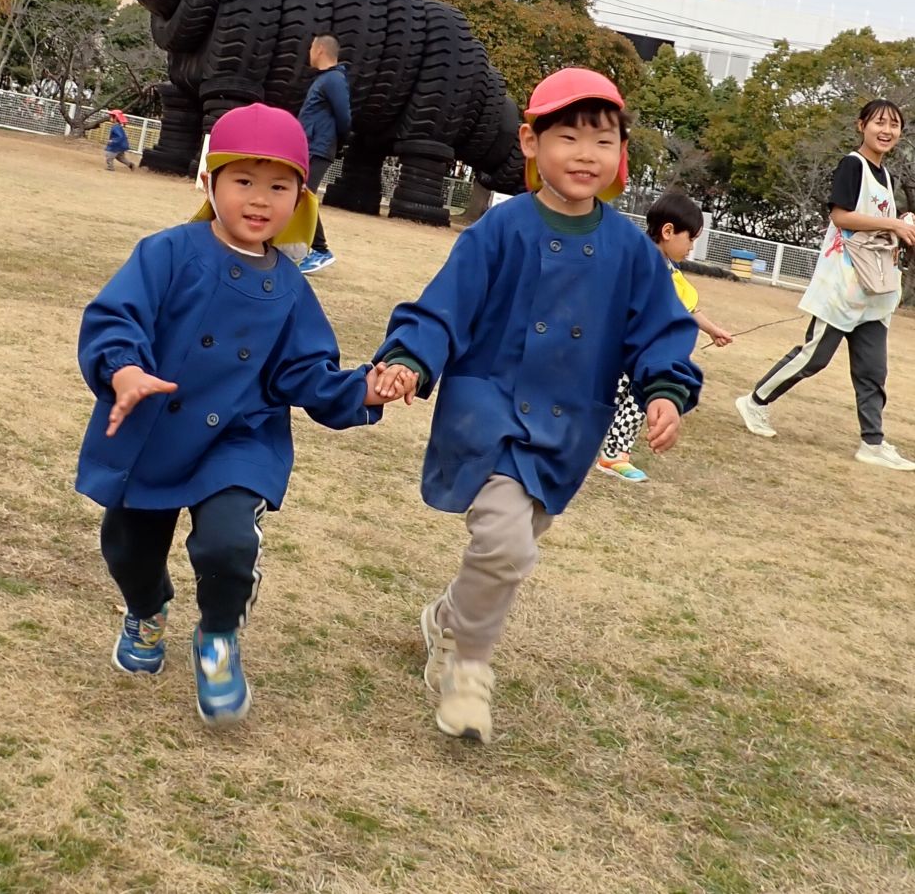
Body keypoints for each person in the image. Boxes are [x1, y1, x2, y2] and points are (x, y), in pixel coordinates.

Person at [371, 67, 703, 743]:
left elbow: (660, 331)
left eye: (603, 141)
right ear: (530, 142)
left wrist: (666, 390)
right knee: (504, 544)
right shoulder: (500, 230)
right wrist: (409, 357)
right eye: (568, 137)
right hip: (488, 414)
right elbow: (443, 307)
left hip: (568, 427)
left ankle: (447, 619)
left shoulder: (630, 251)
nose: (586, 154)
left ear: (621, 155)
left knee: (512, 546)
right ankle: (468, 671)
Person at [76, 103, 402, 726]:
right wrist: (123, 369)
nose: (259, 199)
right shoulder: (167, 253)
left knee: (229, 543)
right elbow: (115, 317)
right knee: (127, 550)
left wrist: (362, 391)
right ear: (210, 181)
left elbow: (305, 372)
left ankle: (219, 636)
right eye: (244, 181)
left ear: (301, 197)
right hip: (155, 428)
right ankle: (146, 611)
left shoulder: (292, 287)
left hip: (240, 439)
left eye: (279, 186)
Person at [735, 98, 915, 470]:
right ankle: (754, 402)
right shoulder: (853, 165)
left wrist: (901, 223)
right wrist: (893, 224)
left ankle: (872, 443)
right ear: (861, 125)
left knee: (873, 370)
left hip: (875, 289)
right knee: (813, 357)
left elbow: (877, 223)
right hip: (843, 283)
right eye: (879, 122)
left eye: (894, 125)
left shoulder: (886, 176)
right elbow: (841, 216)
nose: (886, 130)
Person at [598, 191, 733, 483]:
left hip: (641, 357)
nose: (692, 248)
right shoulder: (632, 259)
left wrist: (713, 330)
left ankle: (614, 454)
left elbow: (686, 309)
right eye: (690, 239)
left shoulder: (672, 275)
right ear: (668, 231)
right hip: (613, 349)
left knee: (636, 399)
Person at [297, 35, 351, 275]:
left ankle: (321, 250)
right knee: (297, 194)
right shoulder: (324, 79)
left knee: (304, 195)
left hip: (319, 147)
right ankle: (297, 247)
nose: (309, 51)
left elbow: (344, 118)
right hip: (311, 145)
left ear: (320, 50)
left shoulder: (334, 80)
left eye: (311, 47)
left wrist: (333, 143)